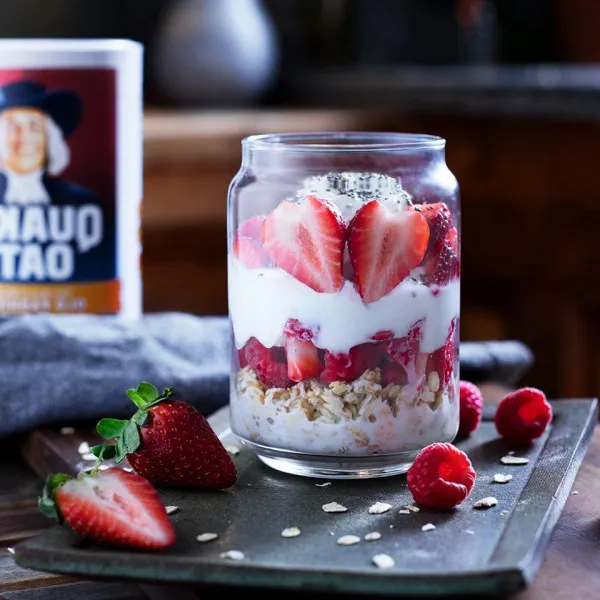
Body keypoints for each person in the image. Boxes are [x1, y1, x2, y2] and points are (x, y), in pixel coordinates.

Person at [0, 80, 98, 205]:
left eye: (34, 127)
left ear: (49, 138)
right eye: (13, 128)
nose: (24, 138)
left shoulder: (81, 201)